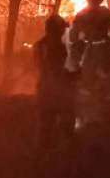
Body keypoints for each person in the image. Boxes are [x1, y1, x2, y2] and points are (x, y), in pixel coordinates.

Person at [34, 14, 79, 149]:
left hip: (43, 90)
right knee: (67, 124)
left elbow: (40, 67)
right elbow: (57, 70)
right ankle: (65, 157)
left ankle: (43, 158)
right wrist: (76, 75)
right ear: (57, 30)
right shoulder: (58, 47)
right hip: (59, 92)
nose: (64, 31)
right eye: (61, 28)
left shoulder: (39, 45)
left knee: (46, 127)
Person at [70, 0, 110, 101]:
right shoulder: (105, 12)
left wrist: (78, 44)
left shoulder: (82, 14)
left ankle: (95, 106)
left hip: (92, 48)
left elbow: (73, 35)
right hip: (101, 47)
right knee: (104, 76)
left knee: (91, 79)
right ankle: (103, 105)